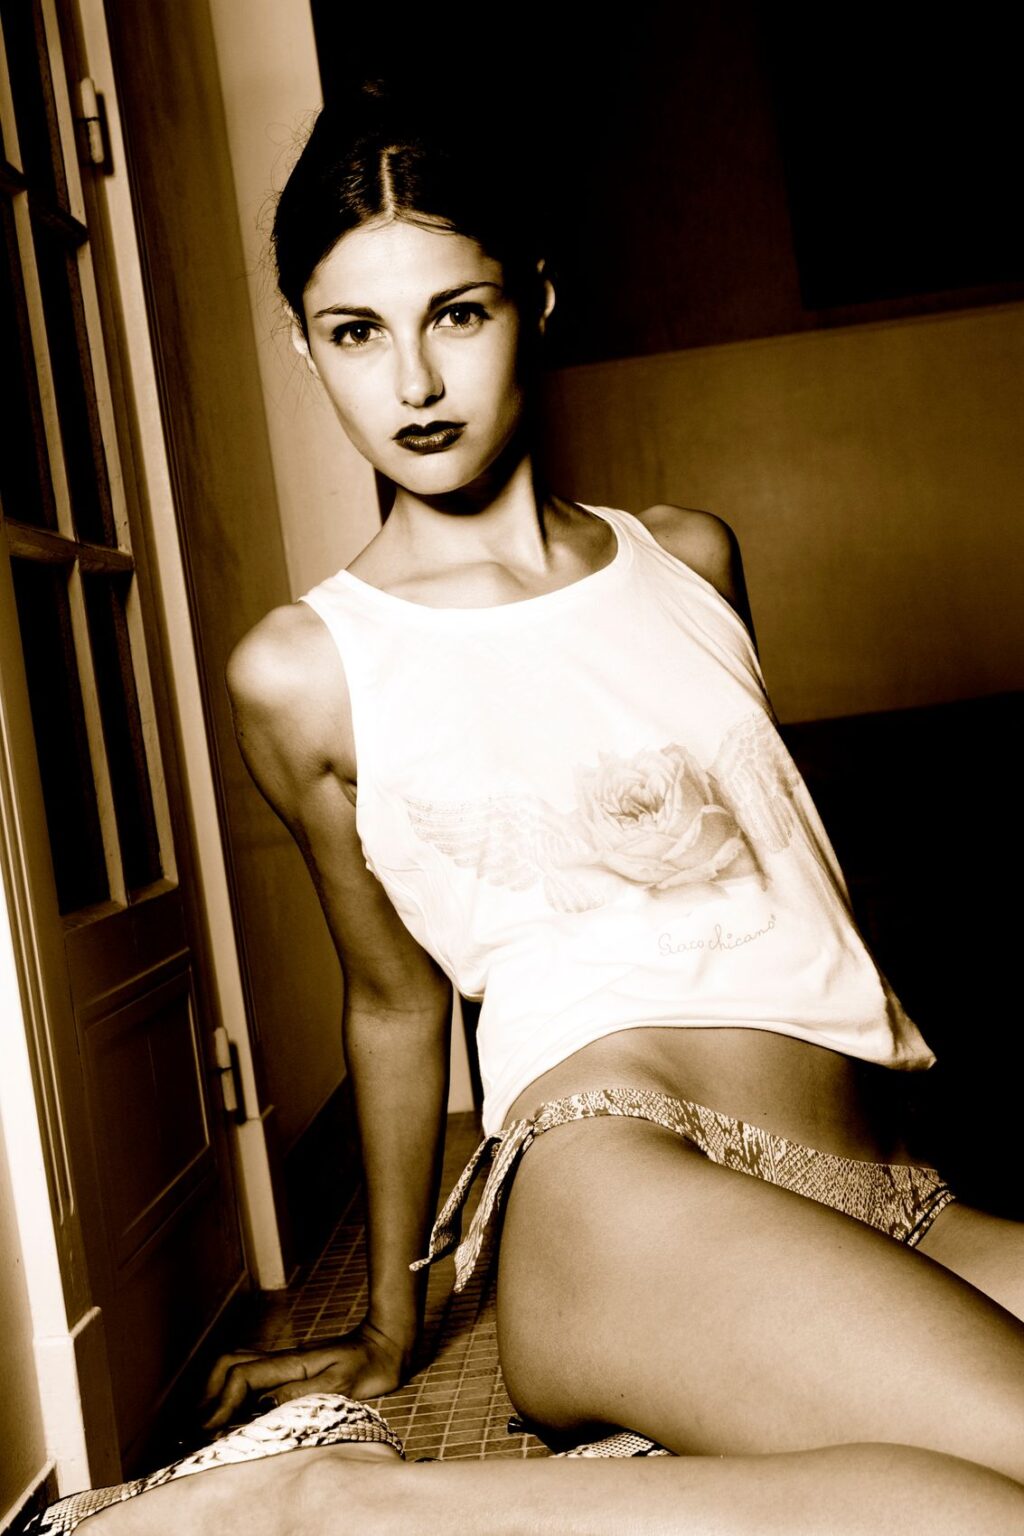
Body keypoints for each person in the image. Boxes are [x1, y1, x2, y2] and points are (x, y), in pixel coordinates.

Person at [41, 86, 1024, 1534]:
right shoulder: (310, 668)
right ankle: (328, 1507)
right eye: (356, 332)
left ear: (536, 302)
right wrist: (391, 1321)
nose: (414, 382)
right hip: (616, 1194)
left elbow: (768, 879)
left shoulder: (688, 558)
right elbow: (393, 999)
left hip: (881, 1186)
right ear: (304, 344)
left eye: (459, 313)